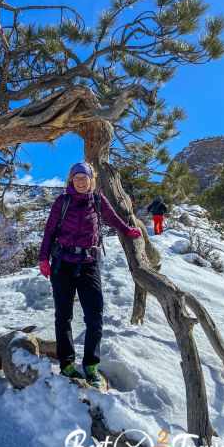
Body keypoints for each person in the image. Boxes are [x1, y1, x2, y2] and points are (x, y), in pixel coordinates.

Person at [38, 161, 142, 388]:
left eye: (84, 178)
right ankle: (66, 364)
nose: (81, 182)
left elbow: (112, 218)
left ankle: (90, 365)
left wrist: (127, 230)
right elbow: (49, 231)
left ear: (91, 180)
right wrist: (43, 258)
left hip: (88, 264)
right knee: (63, 316)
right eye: (77, 178)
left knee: (94, 317)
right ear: (71, 180)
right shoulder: (62, 201)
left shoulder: (97, 199)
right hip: (62, 264)